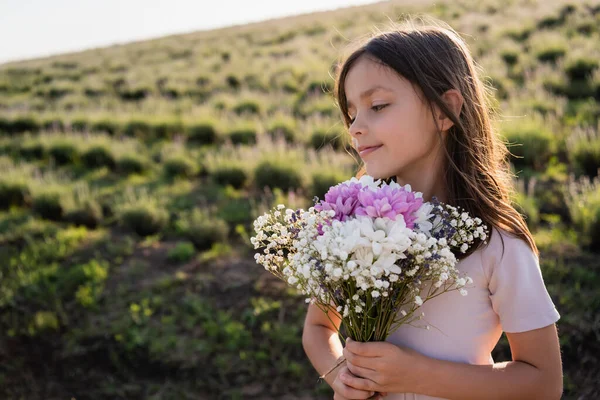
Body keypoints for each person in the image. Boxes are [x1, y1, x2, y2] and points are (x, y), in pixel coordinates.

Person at [301, 18, 563, 400]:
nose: (356, 126)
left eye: (377, 105)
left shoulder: (496, 243)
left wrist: (415, 376)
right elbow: (318, 329)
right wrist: (342, 375)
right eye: (351, 112)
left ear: (445, 110)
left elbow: (544, 382)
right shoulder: (353, 225)